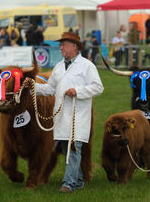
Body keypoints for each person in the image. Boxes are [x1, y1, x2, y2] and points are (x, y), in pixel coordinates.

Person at [24, 32, 104, 193]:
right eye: (60, 45)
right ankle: (79, 180)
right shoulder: (59, 66)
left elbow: (98, 87)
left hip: (78, 115)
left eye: (63, 44)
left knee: (73, 148)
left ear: (74, 46)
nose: (60, 47)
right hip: (60, 116)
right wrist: (33, 86)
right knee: (66, 147)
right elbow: (49, 89)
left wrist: (78, 91)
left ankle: (68, 184)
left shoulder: (87, 66)